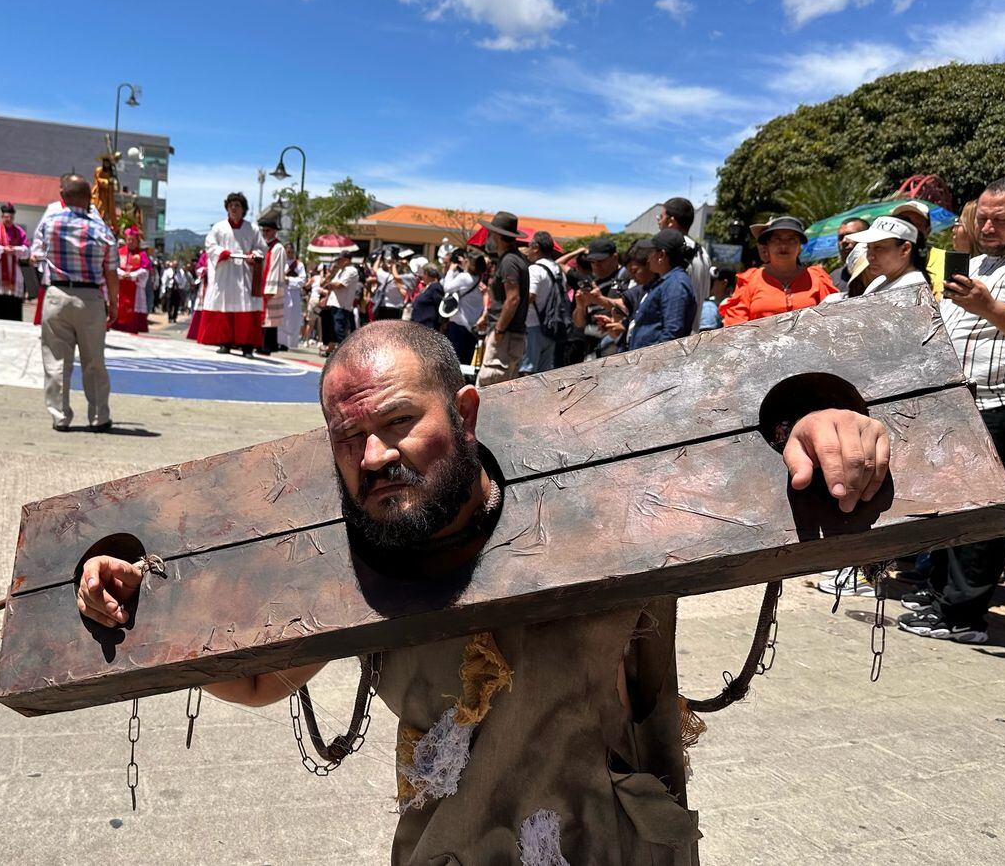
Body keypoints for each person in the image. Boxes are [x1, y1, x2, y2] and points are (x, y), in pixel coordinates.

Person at [73, 319, 891, 863]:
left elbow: (738, 441)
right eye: (349, 438)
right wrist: (142, 603)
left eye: (398, 421)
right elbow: (255, 680)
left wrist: (807, 422)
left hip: (616, 844)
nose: (375, 456)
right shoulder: (358, 561)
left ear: (466, 413)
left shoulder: (618, 512)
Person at [899, 177, 1005, 644]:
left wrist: (990, 307)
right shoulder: (975, 264)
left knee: (983, 509)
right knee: (951, 504)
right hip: (957, 401)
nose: (989, 226)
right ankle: (940, 594)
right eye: (983, 218)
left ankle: (964, 615)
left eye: (1002, 219)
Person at [32, 176, 117, 433]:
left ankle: (60, 416)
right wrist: (113, 302)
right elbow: (111, 270)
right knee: (94, 360)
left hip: (57, 294)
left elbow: (36, 254)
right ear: (89, 199)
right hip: (90, 298)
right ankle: (99, 416)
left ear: (63, 197)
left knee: (56, 359)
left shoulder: (50, 223)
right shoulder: (101, 229)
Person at [720, 216, 835, 326]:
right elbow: (734, 327)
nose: (784, 245)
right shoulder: (749, 281)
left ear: (800, 246)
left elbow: (833, 318)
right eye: (777, 239)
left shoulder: (817, 278)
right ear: (767, 246)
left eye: (791, 239)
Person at [200, 192, 266, 357]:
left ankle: (247, 346)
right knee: (225, 305)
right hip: (226, 273)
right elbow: (210, 245)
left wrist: (253, 255)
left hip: (244, 274)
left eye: (237, 205)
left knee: (247, 307)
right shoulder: (219, 228)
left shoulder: (252, 229)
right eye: (231, 206)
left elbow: (261, 248)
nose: (234, 208)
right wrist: (222, 252)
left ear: (243, 209)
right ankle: (225, 342)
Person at [474, 211, 529, 387]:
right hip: (510, 335)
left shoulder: (509, 261)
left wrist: (499, 330)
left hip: (506, 336)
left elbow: (513, 299)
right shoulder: (514, 259)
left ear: (497, 235)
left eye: (490, 233)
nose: (488, 238)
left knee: (489, 389)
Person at [625, 228, 698, 351]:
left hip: (654, 360)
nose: (648, 259)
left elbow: (672, 333)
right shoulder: (668, 282)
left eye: (651, 253)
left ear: (661, 255)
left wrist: (653, 359)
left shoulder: (675, 284)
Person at [570, 238, 630, 361]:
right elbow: (579, 323)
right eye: (593, 262)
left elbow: (629, 310)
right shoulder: (593, 284)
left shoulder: (626, 278)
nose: (597, 266)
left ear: (615, 257)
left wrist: (599, 300)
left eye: (601, 261)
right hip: (592, 354)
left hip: (617, 353)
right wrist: (580, 307)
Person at [521, 231, 564, 375]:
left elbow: (530, 296)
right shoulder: (558, 269)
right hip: (552, 326)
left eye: (529, 246)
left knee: (527, 371)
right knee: (544, 374)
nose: (527, 249)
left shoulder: (535, 269)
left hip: (533, 324)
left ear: (536, 248)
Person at [659, 197, 710, 309]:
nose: (659, 222)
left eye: (661, 217)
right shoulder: (703, 253)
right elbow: (705, 295)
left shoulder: (667, 249)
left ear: (671, 221)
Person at [0, 203, 31, 321]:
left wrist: (15, 249)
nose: (8, 219)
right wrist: (3, 249)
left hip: (14, 268)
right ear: (2, 216)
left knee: (12, 301)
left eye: (11, 217)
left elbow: (26, 250)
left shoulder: (19, 231)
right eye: (6, 217)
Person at [440, 250, 484, 365]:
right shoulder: (478, 278)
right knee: (466, 361)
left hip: (459, 323)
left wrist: (450, 270)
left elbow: (447, 288)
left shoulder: (464, 277)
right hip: (472, 326)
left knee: (454, 360)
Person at [318, 250, 362, 355]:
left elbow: (339, 285)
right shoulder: (340, 271)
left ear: (346, 260)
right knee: (331, 330)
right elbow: (323, 284)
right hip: (333, 303)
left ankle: (343, 354)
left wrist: (329, 284)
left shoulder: (351, 271)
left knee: (339, 331)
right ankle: (330, 350)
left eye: (340, 260)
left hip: (342, 305)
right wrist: (330, 274)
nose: (338, 262)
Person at [113, 227, 152, 334]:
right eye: (129, 239)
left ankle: (131, 327)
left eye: (133, 240)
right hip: (120, 285)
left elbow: (145, 271)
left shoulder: (141, 254)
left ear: (137, 241)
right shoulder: (119, 252)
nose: (130, 242)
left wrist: (132, 275)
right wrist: (121, 274)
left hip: (135, 286)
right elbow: (113, 266)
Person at [257, 213, 286, 352]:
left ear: (274, 231)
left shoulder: (278, 248)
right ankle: (260, 344)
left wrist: (270, 288)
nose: (265, 233)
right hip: (262, 285)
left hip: (271, 287)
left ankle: (267, 346)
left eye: (267, 231)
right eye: (263, 231)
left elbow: (276, 269)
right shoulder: (265, 246)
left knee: (270, 318)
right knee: (264, 318)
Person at [830, 217, 870, 293]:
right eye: (840, 237)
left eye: (851, 235)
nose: (844, 241)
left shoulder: (883, 271)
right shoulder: (833, 279)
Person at [279, 251, 308, 350]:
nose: (289, 254)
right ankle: (278, 341)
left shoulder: (299, 265)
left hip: (293, 294)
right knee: (280, 318)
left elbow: (303, 280)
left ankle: (288, 343)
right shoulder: (281, 262)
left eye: (290, 251)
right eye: (287, 251)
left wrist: (288, 280)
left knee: (292, 319)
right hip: (281, 292)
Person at [410, 260, 446, 329]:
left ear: (426, 274)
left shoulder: (435, 287)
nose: (422, 276)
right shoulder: (428, 287)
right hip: (419, 325)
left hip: (427, 327)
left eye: (423, 273)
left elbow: (440, 307)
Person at [160, 259, 190, 324]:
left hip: (177, 289)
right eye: (174, 265)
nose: (175, 266)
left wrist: (181, 286)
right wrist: (164, 289)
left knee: (176, 304)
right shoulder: (167, 271)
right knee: (169, 304)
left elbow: (184, 280)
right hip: (170, 288)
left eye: (176, 265)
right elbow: (163, 280)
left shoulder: (180, 272)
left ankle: (174, 317)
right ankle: (170, 317)